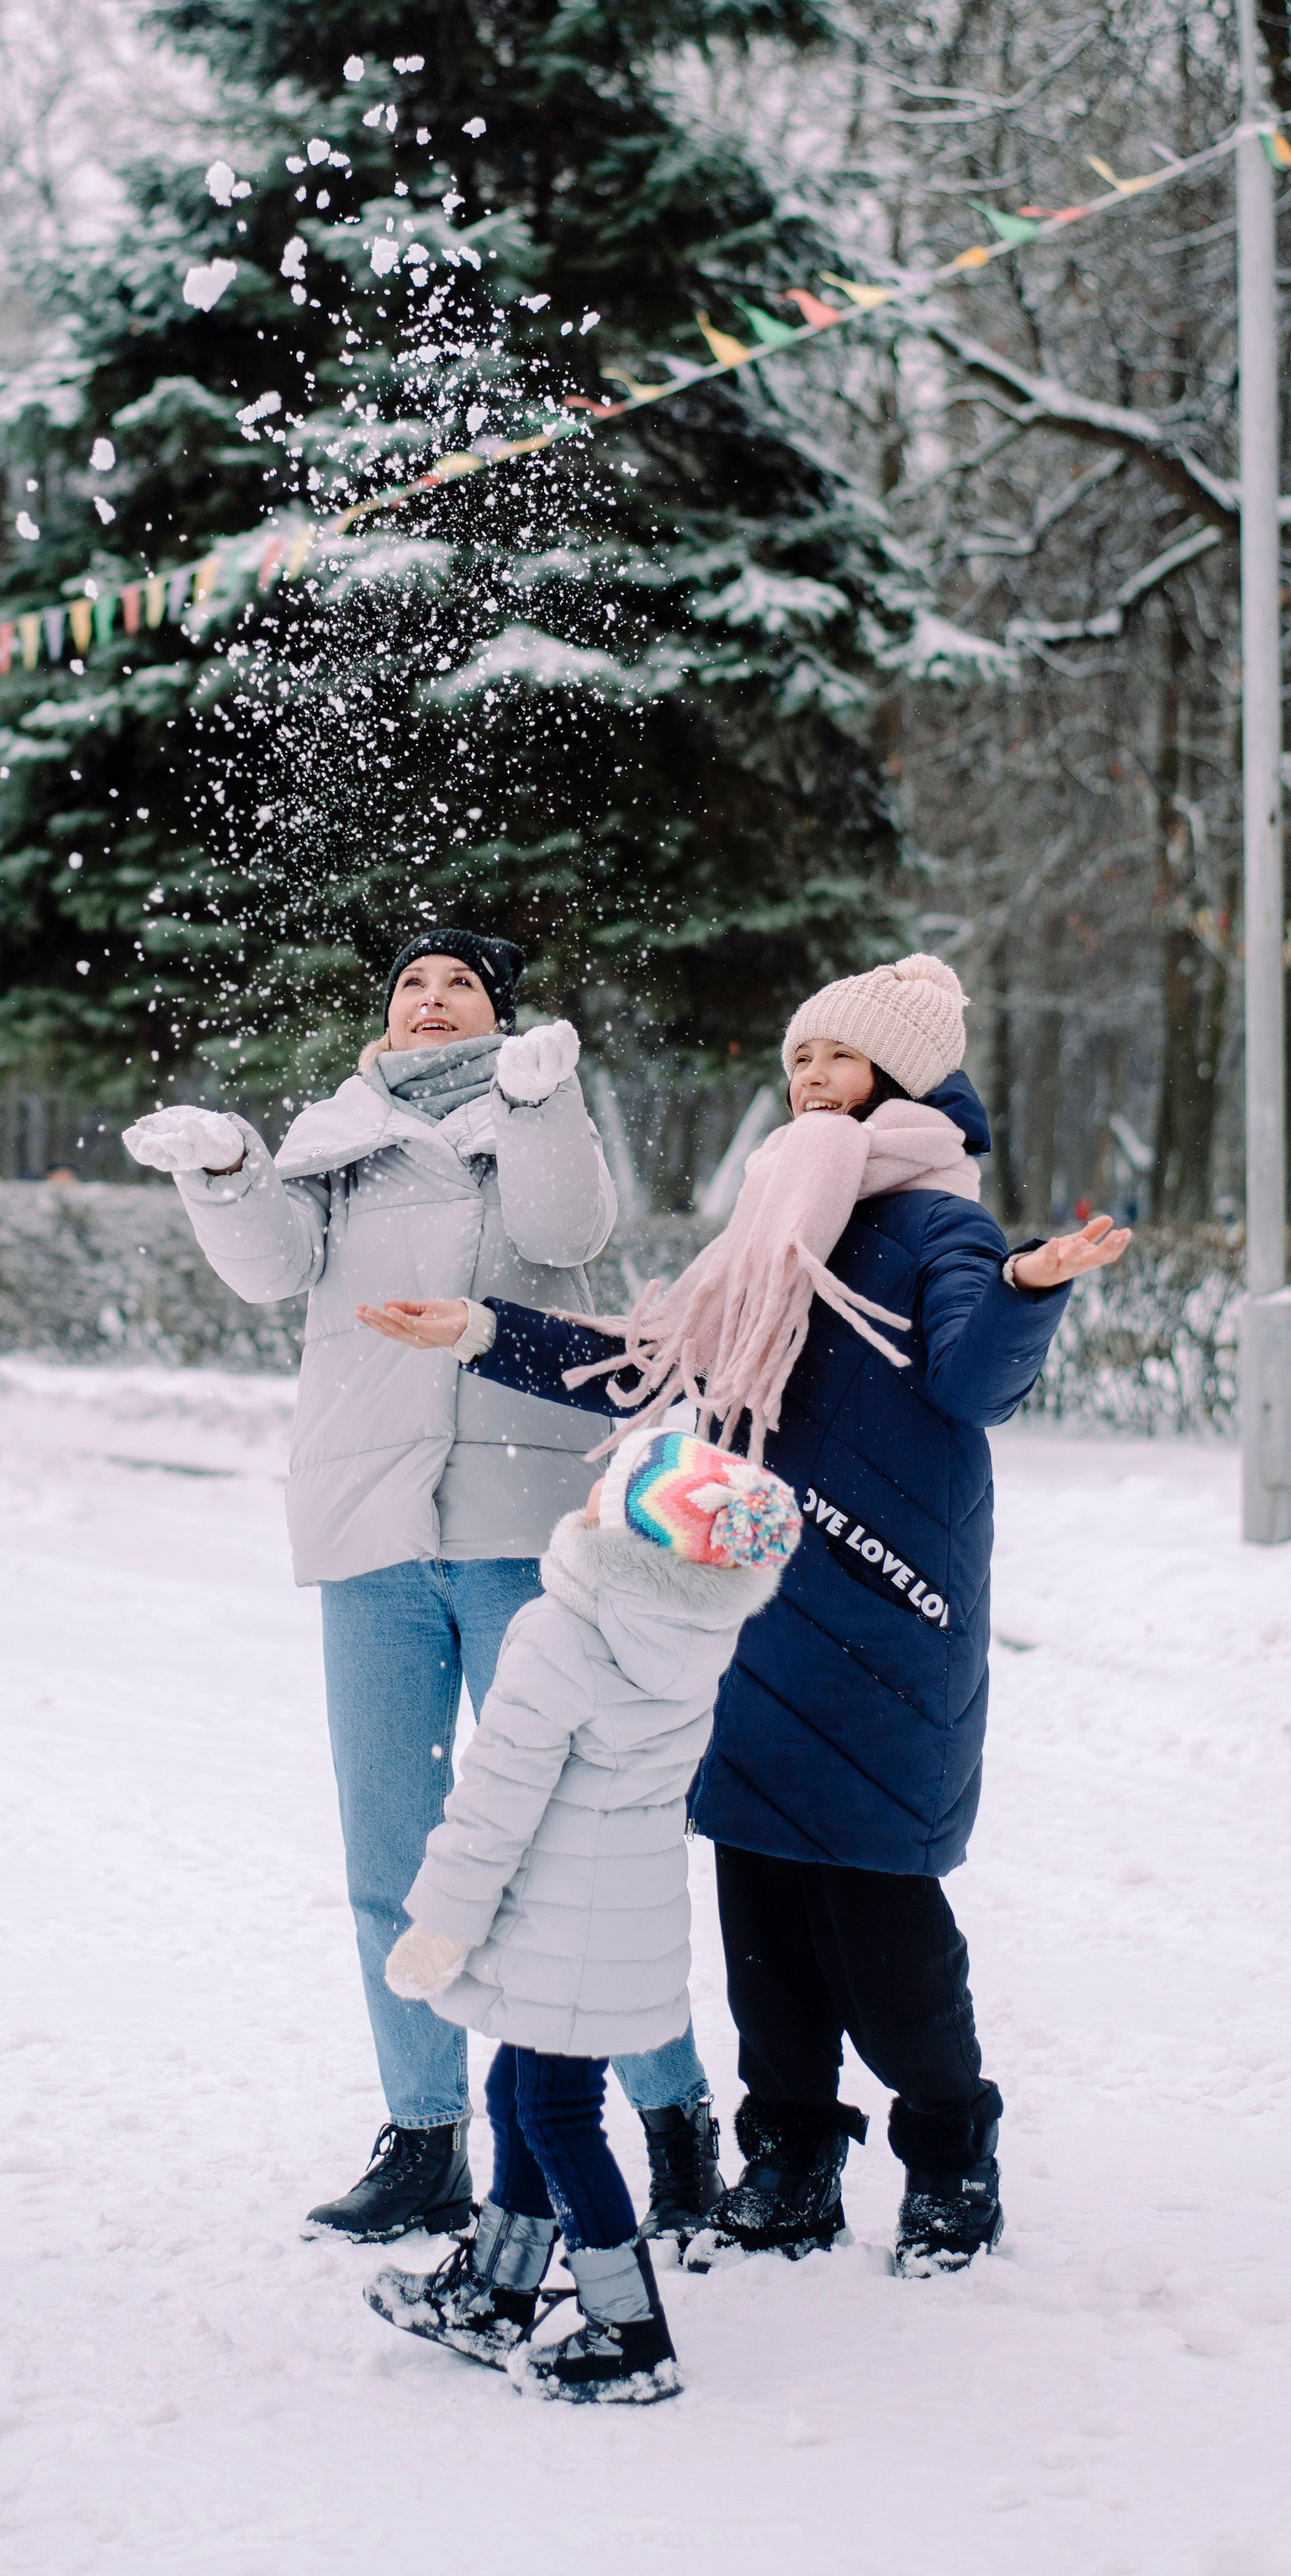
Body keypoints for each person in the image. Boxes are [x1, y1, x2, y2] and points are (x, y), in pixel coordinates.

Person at [360, 952, 1130, 2272]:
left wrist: (1024, 1292)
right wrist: (487, 1329)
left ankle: (949, 2154)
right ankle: (789, 2157)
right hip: (751, 1604)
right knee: (763, 1920)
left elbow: (972, 1383)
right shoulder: (775, 1212)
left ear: (904, 1073)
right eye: (797, 1061)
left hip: (889, 1611)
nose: (809, 1079)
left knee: (883, 1924)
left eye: (834, 1057)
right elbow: (649, 1365)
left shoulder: (943, 1227)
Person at [122, 931, 724, 2244]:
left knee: (573, 1840)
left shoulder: (536, 1108)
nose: (430, 996)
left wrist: (538, 1094)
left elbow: (571, 1228)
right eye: (410, 982)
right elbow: (274, 1268)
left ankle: (673, 2114)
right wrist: (225, 1168)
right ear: (384, 1016)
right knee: (392, 1850)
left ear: (501, 1012)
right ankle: (425, 2133)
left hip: (521, 1520)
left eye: (459, 982)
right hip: (370, 1531)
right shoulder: (334, 1140)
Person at [367, 1426, 802, 2403]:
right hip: (622, 1921)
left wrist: (440, 1925)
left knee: (556, 2117)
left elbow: (495, 1799)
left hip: (558, 1922)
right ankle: (493, 2291)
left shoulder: (561, 1632)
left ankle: (629, 2332)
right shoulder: (690, 1637)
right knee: (530, 2089)